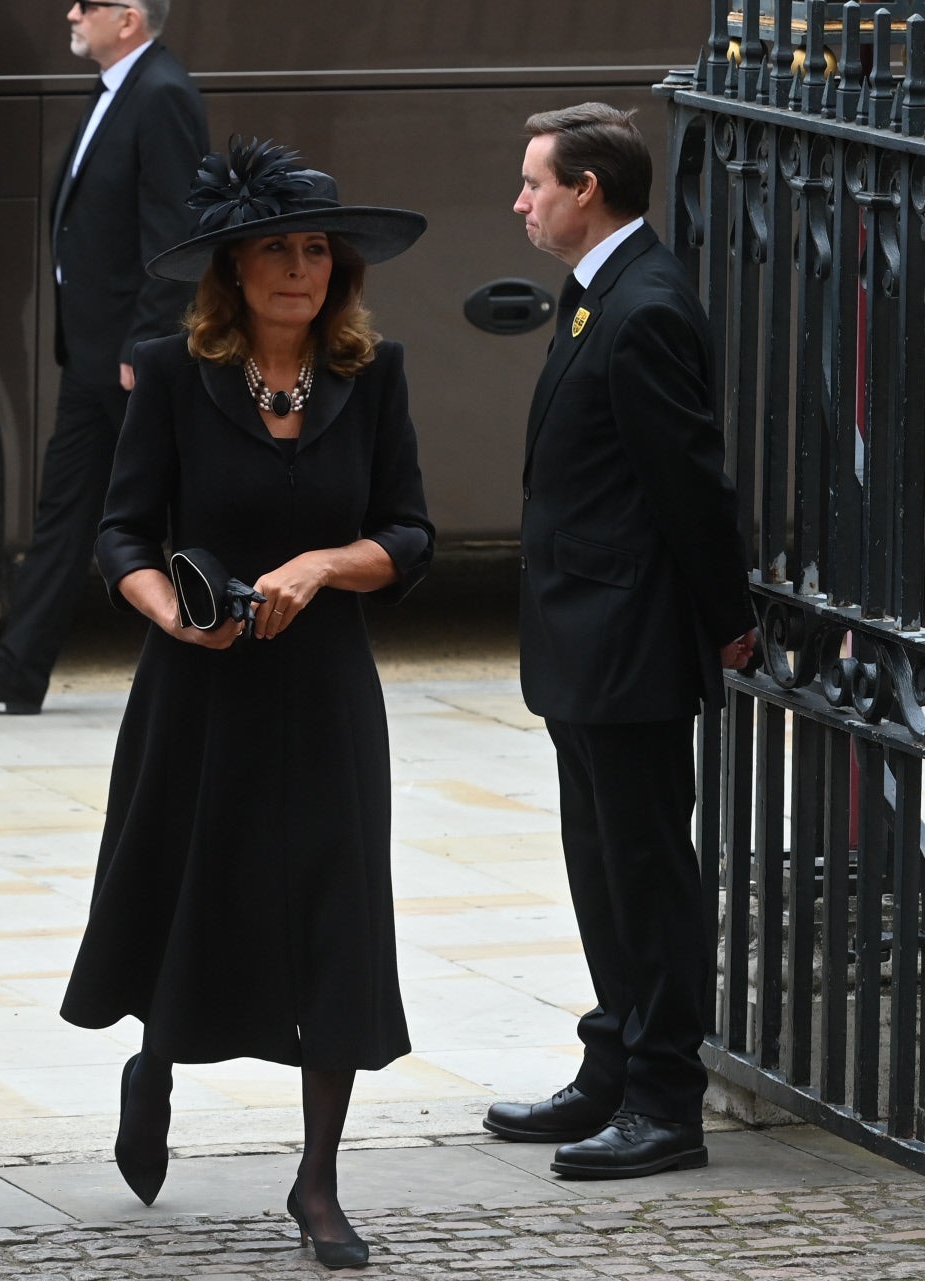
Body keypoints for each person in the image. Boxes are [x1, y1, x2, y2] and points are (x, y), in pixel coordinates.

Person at [59, 138, 431, 1272]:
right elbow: (120, 532)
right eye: (278, 250)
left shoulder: (374, 373)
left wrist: (325, 564)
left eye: (318, 251)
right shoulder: (175, 375)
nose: (301, 269)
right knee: (189, 895)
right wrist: (171, 611)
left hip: (326, 695)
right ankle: (155, 1065)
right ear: (234, 269)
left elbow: (411, 533)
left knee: (336, 922)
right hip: (198, 686)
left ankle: (316, 1181)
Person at [482, 103, 755, 1180]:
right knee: (601, 873)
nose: (521, 202)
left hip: (628, 639)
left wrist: (727, 619)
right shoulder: (597, 297)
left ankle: (663, 1102)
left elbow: (690, 487)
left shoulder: (644, 309)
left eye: (533, 183)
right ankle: (611, 1066)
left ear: (586, 190)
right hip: (580, 636)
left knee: (647, 877)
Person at [0, 0, 205, 714]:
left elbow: (174, 231)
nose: (71, 13)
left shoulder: (163, 94)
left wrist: (146, 339)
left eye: (89, 4)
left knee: (174, 508)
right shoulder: (116, 88)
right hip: (92, 351)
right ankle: (19, 667)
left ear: (130, 18)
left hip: (129, 352)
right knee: (66, 509)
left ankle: (217, 652)